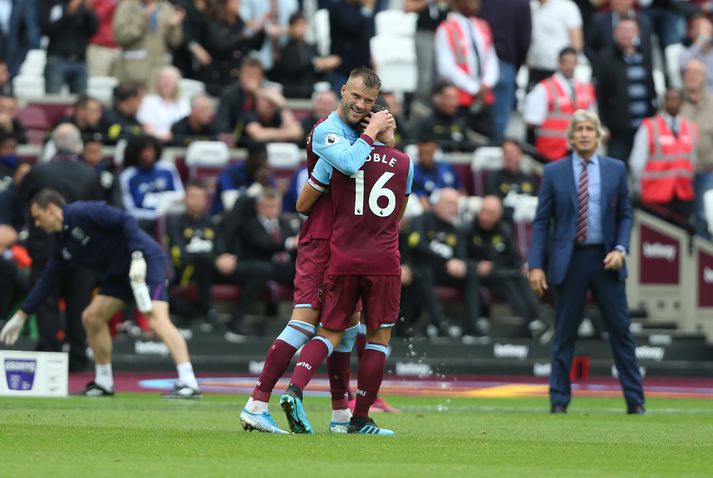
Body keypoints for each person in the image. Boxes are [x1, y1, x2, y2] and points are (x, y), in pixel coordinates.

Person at [239, 67, 394, 434]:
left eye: (368, 101)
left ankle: (342, 413)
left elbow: (384, 166)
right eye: (355, 97)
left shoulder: (358, 132)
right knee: (306, 322)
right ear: (343, 91)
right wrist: (373, 132)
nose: (360, 105)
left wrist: (383, 133)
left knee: (346, 325)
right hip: (322, 240)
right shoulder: (329, 131)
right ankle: (256, 403)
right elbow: (343, 170)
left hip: (349, 240)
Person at [279, 117, 412, 436]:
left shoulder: (341, 158)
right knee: (378, 339)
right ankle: (360, 418)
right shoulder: (405, 162)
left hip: (343, 256)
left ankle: (295, 389)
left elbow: (305, 203)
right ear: (383, 127)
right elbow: (398, 215)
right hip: (382, 259)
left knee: (328, 332)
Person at [0, 188, 201, 398]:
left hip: (144, 262)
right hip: (117, 275)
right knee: (92, 317)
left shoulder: (83, 212)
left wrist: (137, 256)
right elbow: (47, 281)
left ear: (51, 209)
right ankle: (104, 382)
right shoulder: (63, 243)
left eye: (38, 218)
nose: (38, 224)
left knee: (156, 319)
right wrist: (22, 314)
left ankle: (189, 382)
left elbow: (126, 219)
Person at [527, 109, 645, 414]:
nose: (583, 133)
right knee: (564, 333)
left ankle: (636, 401)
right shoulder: (554, 172)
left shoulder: (616, 169)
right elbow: (541, 222)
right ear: (570, 136)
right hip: (570, 260)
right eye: (578, 128)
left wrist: (620, 249)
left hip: (607, 260)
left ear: (598, 134)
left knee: (621, 332)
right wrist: (536, 264)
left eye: (589, 128)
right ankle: (558, 402)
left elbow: (626, 214)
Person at [17, 124, 102, 373]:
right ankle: (77, 356)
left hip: (45, 245)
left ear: (54, 144)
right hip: (82, 247)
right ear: (78, 146)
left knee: (46, 300)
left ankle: (49, 354)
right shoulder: (90, 173)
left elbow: (25, 204)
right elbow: (98, 211)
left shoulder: (38, 172)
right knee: (79, 302)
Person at [464, 195, 549, 341]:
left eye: (492, 214)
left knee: (521, 278)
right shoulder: (468, 230)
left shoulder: (504, 229)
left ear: (499, 216)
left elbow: (512, 257)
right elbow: (461, 257)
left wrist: (521, 266)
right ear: (479, 212)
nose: (487, 217)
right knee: (507, 283)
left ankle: (538, 318)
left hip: (504, 270)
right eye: (485, 212)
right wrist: (476, 265)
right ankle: (530, 321)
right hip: (482, 275)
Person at [407, 187, 485, 339]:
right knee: (424, 272)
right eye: (450, 204)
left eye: (456, 204)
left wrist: (461, 264)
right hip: (422, 269)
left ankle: (471, 326)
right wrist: (446, 260)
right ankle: (437, 323)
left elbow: (462, 255)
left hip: (445, 272)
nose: (453, 208)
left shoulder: (456, 229)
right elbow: (416, 246)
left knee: (471, 275)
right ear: (437, 204)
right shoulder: (421, 220)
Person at [629, 89, 697, 223]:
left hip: (682, 194)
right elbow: (636, 162)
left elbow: (692, 159)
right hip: (655, 194)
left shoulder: (690, 128)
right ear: (663, 102)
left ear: (682, 103)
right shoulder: (649, 126)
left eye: (676, 99)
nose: (673, 103)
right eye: (669, 99)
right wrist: (641, 185)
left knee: (680, 235)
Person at [435, 0, 499, 139]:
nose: (477, 3)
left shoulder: (483, 26)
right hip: (461, 99)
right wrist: (473, 88)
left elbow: (491, 58)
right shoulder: (446, 28)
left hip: (484, 97)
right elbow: (446, 67)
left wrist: (487, 83)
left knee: (490, 139)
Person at [595, 17, 656, 163]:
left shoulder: (644, 55)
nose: (626, 34)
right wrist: (602, 124)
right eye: (622, 31)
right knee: (616, 168)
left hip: (643, 128)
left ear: (637, 33)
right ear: (615, 33)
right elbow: (600, 94)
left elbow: (651, 89)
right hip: (617, 130)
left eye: (630, 31)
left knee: (642, 169)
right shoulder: (605, 57)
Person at [524, 47, 596, 162]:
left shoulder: (585, 89)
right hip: (549, 152)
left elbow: (592, 118)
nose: (569, 67)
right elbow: (531, 123)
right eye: (566, 62)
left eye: (572, 62)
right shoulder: (544, 88)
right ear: (559, 63)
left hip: (578, 152)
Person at [167, 180, 220, 322]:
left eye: (202, 197)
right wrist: (211, 258)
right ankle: (207, 307)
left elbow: (220, 248)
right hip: (186, 271)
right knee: (204, 259)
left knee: (256, 269)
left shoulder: (211, 222)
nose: (197, 201)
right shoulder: (176, 222)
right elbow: (181, 254)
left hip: (213, 269)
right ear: (184, 198)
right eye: (193, 196)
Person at [113, 0, 185, 89]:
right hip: (133, 72)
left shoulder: (166, 7)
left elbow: (175, 42)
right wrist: (142, 21)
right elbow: (121, 37)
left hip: (159, 71)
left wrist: (174, 26)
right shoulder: (127, 7)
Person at [119, 134, 184, 226]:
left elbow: (180, 195)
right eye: (144, 150)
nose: (149, 154)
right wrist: (156, 216)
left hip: (171, 218)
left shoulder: (167, 169)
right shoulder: (128, 176)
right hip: (144, 222)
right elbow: (130, 209)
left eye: (151, 150)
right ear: (136, 152)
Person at [681, 58, 713, 237]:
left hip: (707, 170)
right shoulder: (673, 101)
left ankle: (704, 261)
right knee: (678, 218)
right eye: (688, 72)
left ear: (705, 77)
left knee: (703, 215)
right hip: (679, 172)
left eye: (696, 73)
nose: (692, 77)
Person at [39, 0, 98, 94]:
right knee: (52, 99)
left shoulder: (83, 4)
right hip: (57, 59)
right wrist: (68, 13)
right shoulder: (50, 2)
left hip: (80, 60)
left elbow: (93, 30)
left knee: (82, 102)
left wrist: (89, 12)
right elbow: (46, 29)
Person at [137, 65, 190, 141]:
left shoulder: (183, 101)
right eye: (163, 78)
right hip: (155, 142)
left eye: (171, 78)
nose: (167, 81)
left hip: (179, 141)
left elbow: (186, 124)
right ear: (158, 82)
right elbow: (147, 127)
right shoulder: (148, 101)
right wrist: (163, 137)